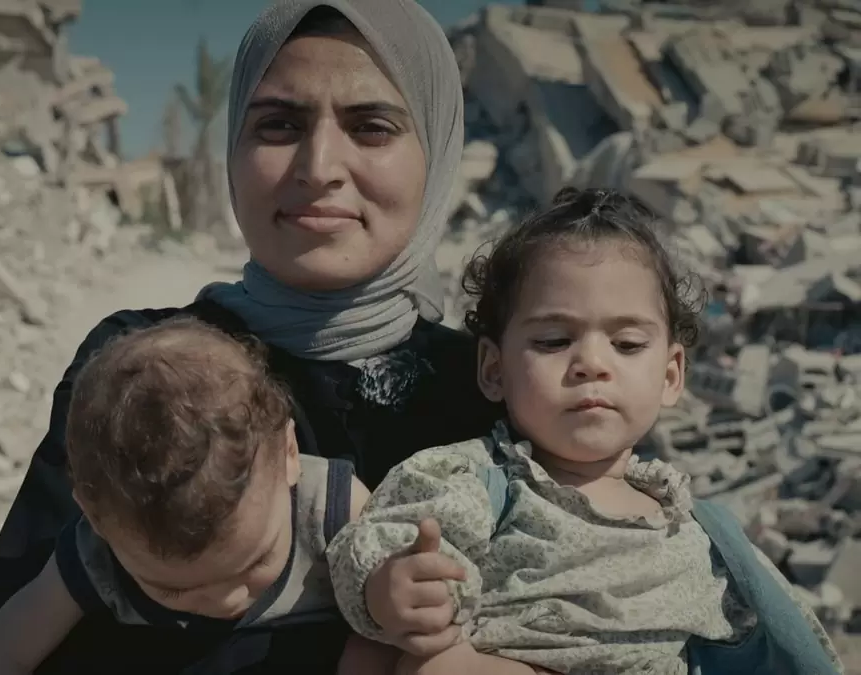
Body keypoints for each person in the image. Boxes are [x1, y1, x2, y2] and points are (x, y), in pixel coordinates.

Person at [0, 0, 504, 671]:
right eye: (279, 124)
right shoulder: (139, 372)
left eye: (371, 127)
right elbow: (25, 636)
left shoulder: (494, 390)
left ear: (437, 148)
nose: (318, 167)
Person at [327, 188, 844, 675]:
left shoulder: (700, 533)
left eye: (627, 344)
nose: (592, 363)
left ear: (670, 375)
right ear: (494, 369)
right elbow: (381, 544)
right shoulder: (474, 485)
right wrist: (391, 587)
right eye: (554, 341)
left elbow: (789, 639)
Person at [0, 317, 368, 675]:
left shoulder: (330, 510)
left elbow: (395, 606)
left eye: (257, 562)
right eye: (173, 591)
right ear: (95, 518)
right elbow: (4, 652)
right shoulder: (98, 556)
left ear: (290, 454)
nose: (226, 601)